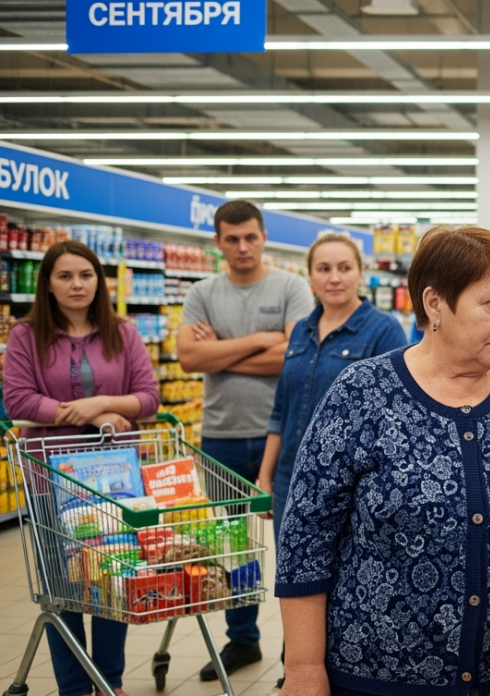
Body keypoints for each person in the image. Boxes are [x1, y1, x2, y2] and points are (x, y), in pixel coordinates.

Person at [275, 226, 490, 696]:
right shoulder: (361, 393)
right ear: (435, 304)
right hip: (373, 677)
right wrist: (304, 672)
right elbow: (306, 538)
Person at [3, 240, 161, 696]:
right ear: (48, 285)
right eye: (65, 276)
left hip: (115, 478)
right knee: (63, 587)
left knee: (114, 580)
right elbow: (17, 400)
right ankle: (74, 688)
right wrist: (94, 415)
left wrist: (103, 402)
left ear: (100, 281)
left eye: (86, 275)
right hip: (49, 478)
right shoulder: (25, 336)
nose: (77, 284)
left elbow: (148, 397)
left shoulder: (124, 332)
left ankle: (109, 682)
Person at [255, 233, 408, 687]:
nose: (335, 277)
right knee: (296, 578)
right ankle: (295, 670)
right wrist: (265, 476)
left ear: (361, 272)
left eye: (344, 267)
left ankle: (330, 670)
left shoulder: (383, 331)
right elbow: (281, 408)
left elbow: (393, 414)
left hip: (351, 484)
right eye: (324, 269)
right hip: (289, 481)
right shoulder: (301, 329)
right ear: (311, 277)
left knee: (338, 578)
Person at [177, 200, 314, 681]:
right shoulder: (202, 291)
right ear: (217, 242)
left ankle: (294, 656)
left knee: (293, 546)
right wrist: (262, 339)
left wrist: (220, 353)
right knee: (236, 546)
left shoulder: (291, 286)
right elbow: (188, 358)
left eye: (250, 237)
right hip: (222, 437)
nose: (242, 247)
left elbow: (296, 355)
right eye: (231, 239)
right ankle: (243, 640)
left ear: (263, 237)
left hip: (287, 438)